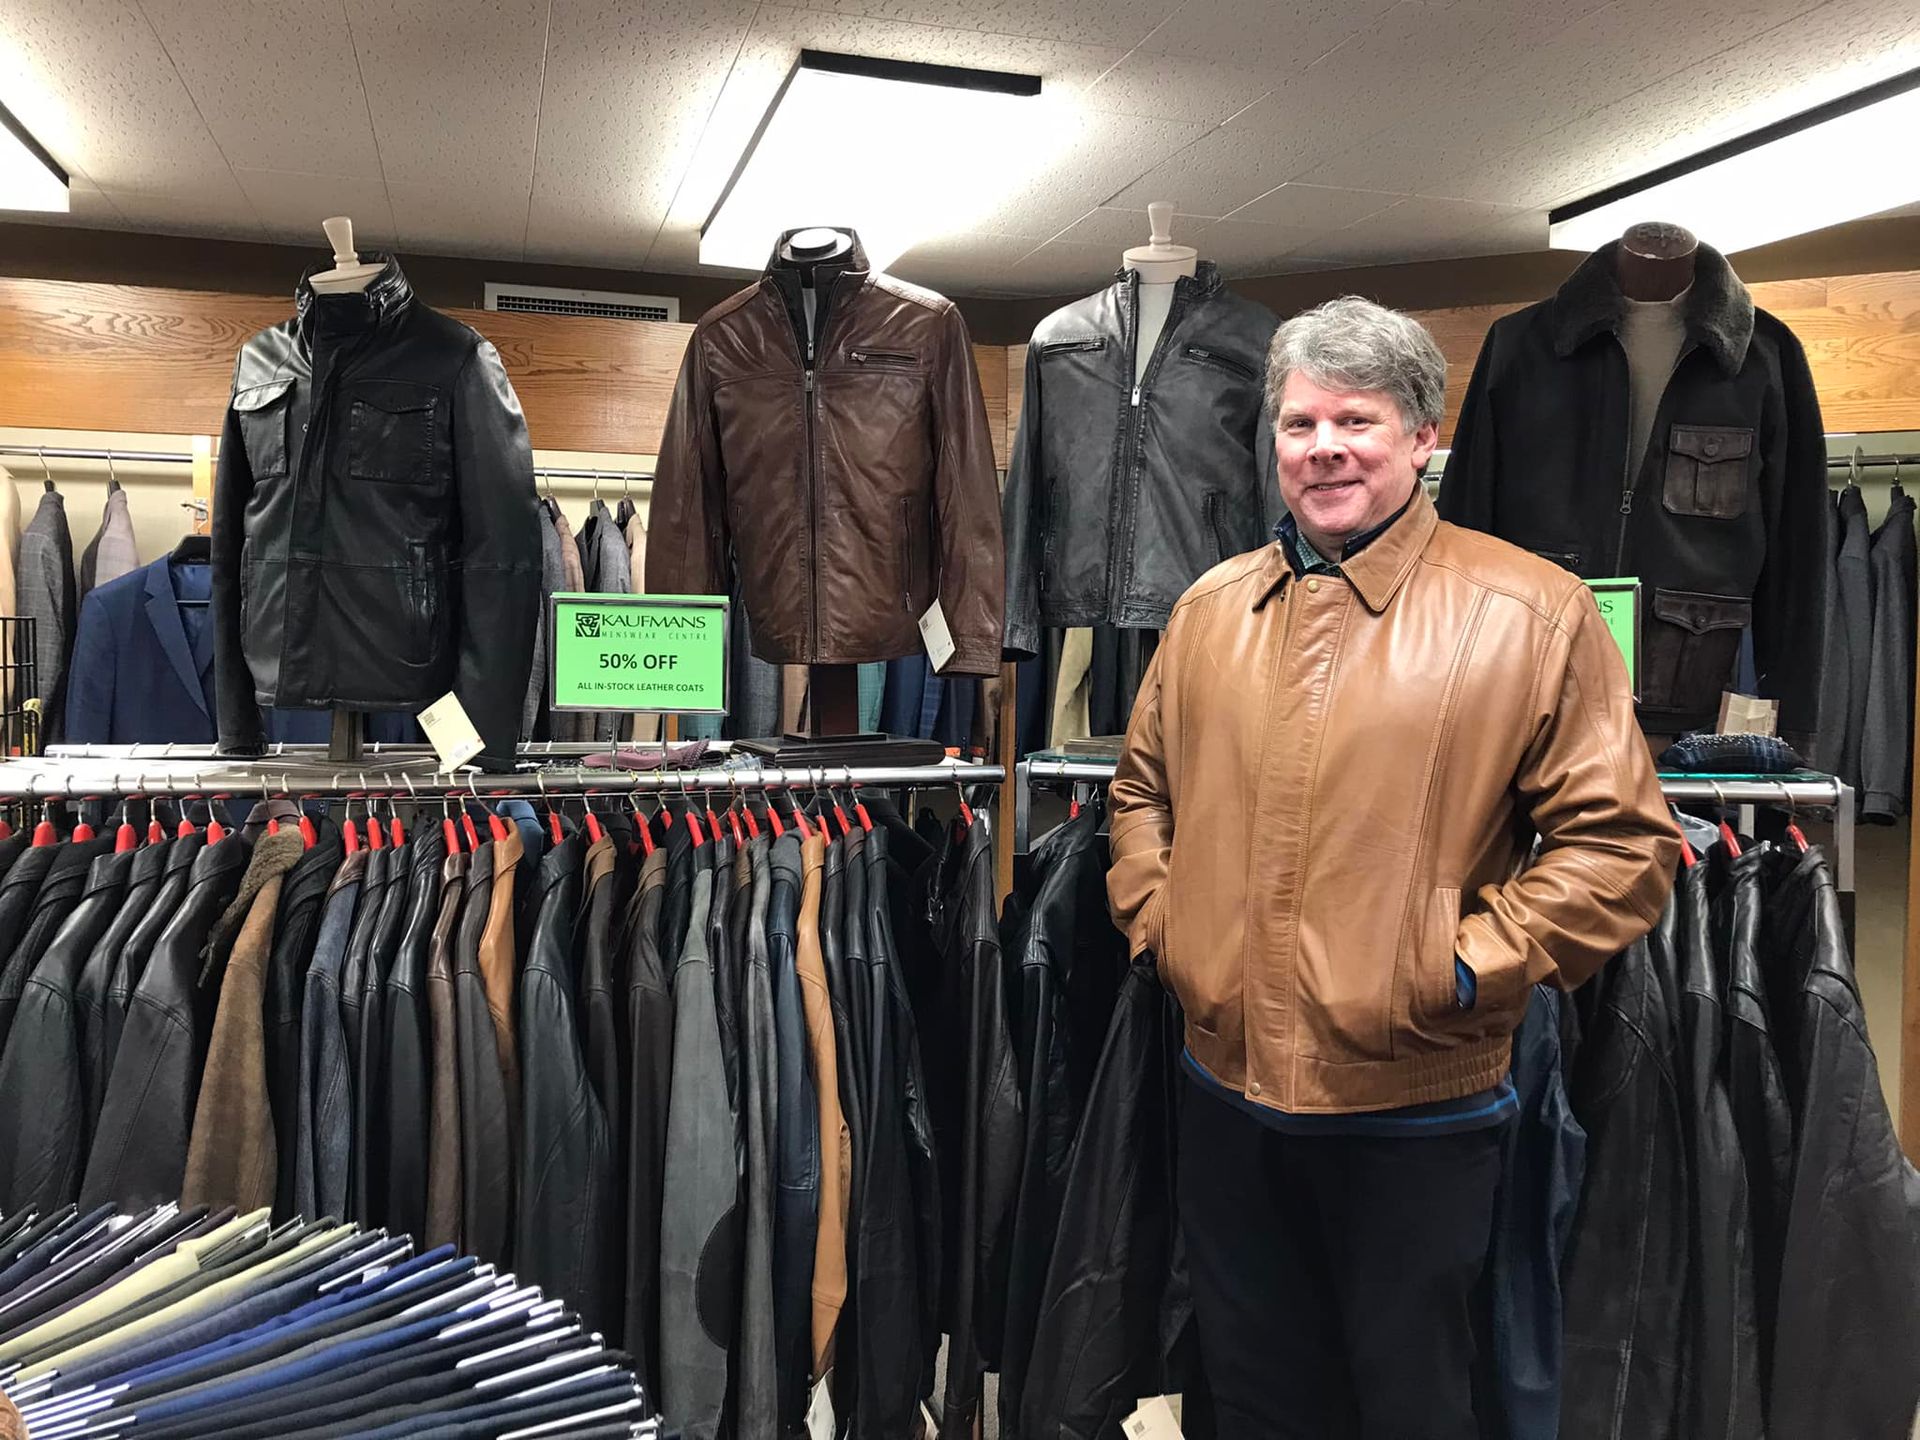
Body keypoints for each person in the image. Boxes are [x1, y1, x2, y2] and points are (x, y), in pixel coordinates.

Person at [1107, 295, 1678, 1439]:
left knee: (1412, 1400)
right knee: (1254, 1394)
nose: (1323, 448)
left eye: (1355, 421)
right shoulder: (1211, 611)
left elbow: (1622, 850)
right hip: (1226, 1095)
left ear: (1424, 438)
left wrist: (1451, 969)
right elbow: (1140, 794)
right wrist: (1170, 929)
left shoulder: (1529, 611)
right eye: (1299, 423)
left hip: (1416, 1111)